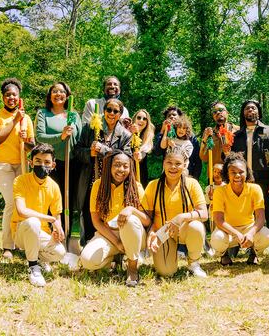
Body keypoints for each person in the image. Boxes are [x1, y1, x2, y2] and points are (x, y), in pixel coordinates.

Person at [79, 151, 150, 286]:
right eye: (117, 165)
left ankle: (132, 267)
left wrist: (131, 209)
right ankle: (114, 258)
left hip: (133, 235)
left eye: (125, 166)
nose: (121, 169)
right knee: (87, 261)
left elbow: (147, 221)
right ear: (109, 167)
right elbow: (96, 221)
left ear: (130, 168)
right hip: (109, 234)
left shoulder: (136, 186)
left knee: (130, 220)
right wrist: (117, 242)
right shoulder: (98, 185)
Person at [74, 98, 132, 244]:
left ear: (120, 114)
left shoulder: (125, 135)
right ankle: (88, 241)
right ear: (103, 111)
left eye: (115, 111)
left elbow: (127, 157)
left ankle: (112, 242)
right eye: (108, 110)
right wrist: (89, 153)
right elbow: (77, 150)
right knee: (89, 210)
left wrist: (104, 150)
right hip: (91, 177)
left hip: (112, 181)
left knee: (108, 210)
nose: (111, 113)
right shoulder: (91, 128)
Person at [143, 151, 209, 278]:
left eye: (178, 163)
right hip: (163, 232)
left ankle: (193, 262)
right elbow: (148, 217)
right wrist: (151, 232)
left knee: (196, 226)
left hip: (184, 229)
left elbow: (204, 214)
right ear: (163, 164)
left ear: (184, 165)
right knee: (166, 273)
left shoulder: (192, 184)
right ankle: (169, 258)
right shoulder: (153, 186)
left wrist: (181, 217)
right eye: (169, 162)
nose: (173, 167)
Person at [11, 143, 67, 287]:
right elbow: (22, 211)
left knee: (60, 252)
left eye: (47, 162)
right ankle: (33, 266)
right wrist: (50, 219)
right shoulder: (20, 180)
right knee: (33, 222)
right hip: (21, 231)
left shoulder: (54, 187)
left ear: (53, 165)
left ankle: (40, 259)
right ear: (31, 163)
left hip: (42, 232)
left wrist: (57, 231)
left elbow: (57, 216)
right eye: (38, 161)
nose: (42, 165)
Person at [0, 78, 36, 259]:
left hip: (21, 164)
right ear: (3, 97)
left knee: (23, 204)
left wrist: (26, 140)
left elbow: (32, 146)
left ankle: (20, 242)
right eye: (8, 95)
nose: (11, 98)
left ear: (19, 97)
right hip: (3, 164)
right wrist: (15, 120)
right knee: (11, 202)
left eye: (14, 95)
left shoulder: (26, 118)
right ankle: (7, 246)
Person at [232, 100, 269, 254]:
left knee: (268, 211)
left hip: (264, 178)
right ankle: (246, 244)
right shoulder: (237, 135)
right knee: (245, 212)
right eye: (247, 108)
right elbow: (230, 158)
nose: (250, 111)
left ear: (258, 112)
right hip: (243, 179)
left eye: (253, 108)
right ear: (243, 113)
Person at [35, 82, 81, 244]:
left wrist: (71, 134)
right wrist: (61, 136)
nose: (58, 94)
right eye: (54, 91)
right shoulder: (43, 113)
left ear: (67, 96)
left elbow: (79, 138)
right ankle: (49, 235)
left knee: (67, 200)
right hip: (50, 165)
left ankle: (65, 235)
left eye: (62, 91)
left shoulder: (73, 115)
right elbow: (40, 137)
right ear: (50, 96)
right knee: (50, 199)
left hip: (70, 163)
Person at [210, 153, 269, 266]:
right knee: (217, 239)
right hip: (228, 230)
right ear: (227, 174)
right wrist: (236, 234)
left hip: (248, 228)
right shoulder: (220, 191)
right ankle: (224, 254)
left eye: (241, 172)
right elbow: (219, 220)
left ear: (247, 173)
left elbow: (260, 217)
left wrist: (250, 234)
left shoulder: (255, 189)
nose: (237, 175)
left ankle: (254, 253)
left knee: (267, 236)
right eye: (233, 172)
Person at [154, 106, 202, 179]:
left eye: (174, 115)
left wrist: (195, 179)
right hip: (168, 173)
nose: (171, 117)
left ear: (180, 117)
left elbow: (197, 160)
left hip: (185, 174)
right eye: (169, 115)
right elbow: (157, 152)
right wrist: (163, 130)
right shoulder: (165, 135)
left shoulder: (191, 137)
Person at [199, 101, 239, 167]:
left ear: (227, 113)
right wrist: (205, 140)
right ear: (213, 116)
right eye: (215, 112)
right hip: (215, 172)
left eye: (221, 110)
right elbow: (204, 158)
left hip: (233, 171)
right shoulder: (209, 134)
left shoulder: (238, 131)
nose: (218, 112)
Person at [130, 109, 155, 188]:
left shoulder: (148, 135)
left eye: (144, 119)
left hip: (140, 173)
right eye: (139, 118)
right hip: (127, 170)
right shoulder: (126, 132)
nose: (141, 120)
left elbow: (145, 151)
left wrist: (140, 156)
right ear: (134, 119)